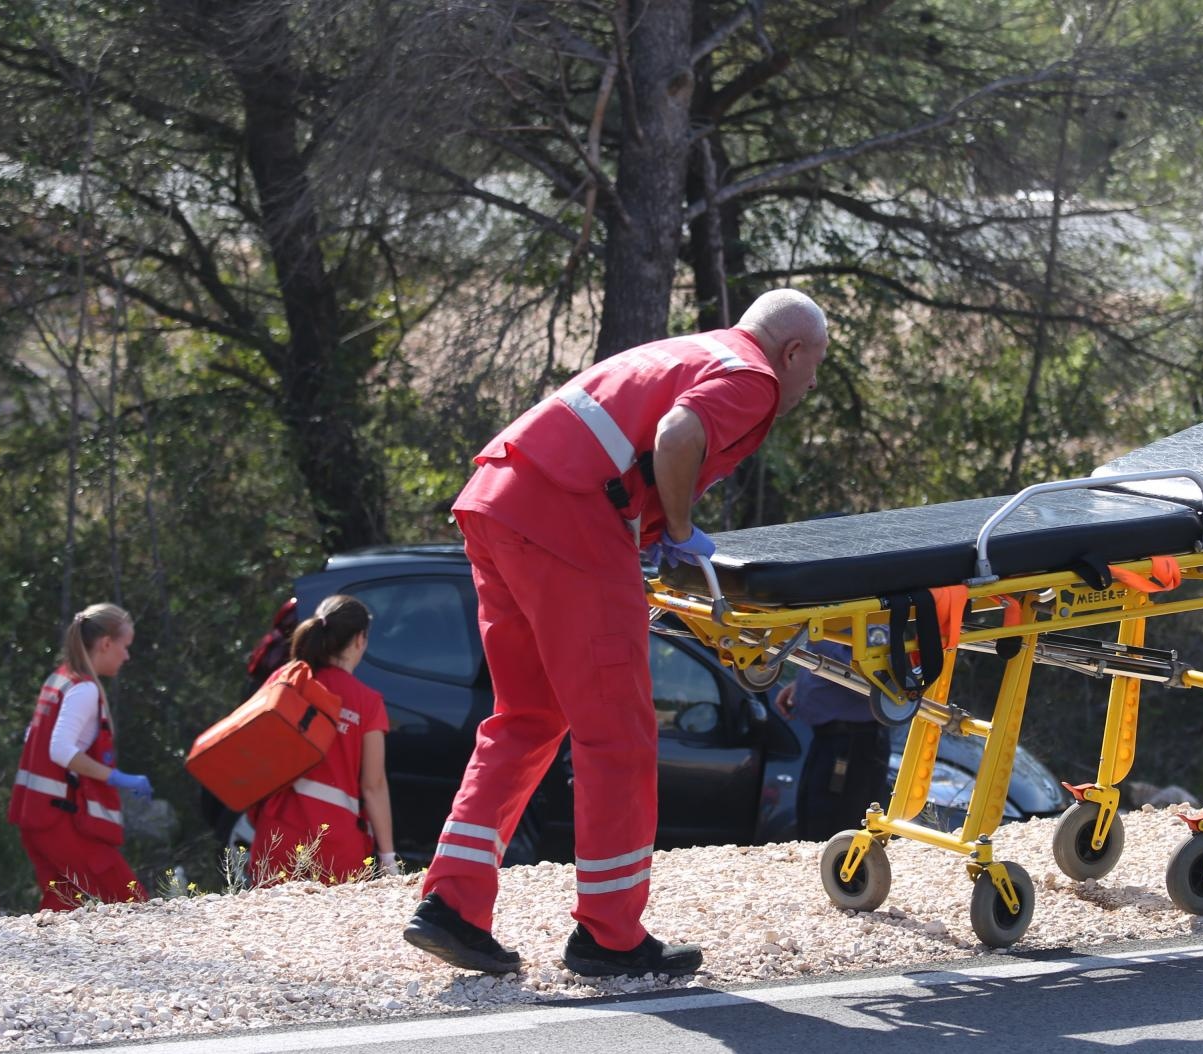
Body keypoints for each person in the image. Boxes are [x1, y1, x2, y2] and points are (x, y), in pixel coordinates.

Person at [404, 289, 829, 978]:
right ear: (792, 352)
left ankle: (451, 906)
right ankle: (610, 933)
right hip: (567, 520)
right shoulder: (753, 376)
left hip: (498, 500)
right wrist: (683, 532)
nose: (811, 383)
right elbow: (677, 436)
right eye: (816, 366)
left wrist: (654, 523)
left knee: (526, 719)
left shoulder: (699, 349)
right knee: (620, 733)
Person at [9, 603, 153, 911]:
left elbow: (31, 738)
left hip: (33, 816)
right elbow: (59, 749)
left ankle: (46, 960)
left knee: (61, 907)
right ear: (105, 644)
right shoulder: (84, 690)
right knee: (133, 904)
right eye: (125, 647)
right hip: (59, 820)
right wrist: (115, 777)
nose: (127, 656)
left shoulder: (59, 680)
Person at [249, 594, 397, 885]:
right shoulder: (367, 702)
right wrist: (388, 857)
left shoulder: (284, 680)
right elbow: (373, 785)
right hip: (337, 846)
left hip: (276, 838)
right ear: (360, 640)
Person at [775, 639, 893, 841]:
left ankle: (841, 872)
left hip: (853, 742)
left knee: (838, 827)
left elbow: (877, 681)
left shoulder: (870, 617)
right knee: (813, 821)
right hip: (830, 740)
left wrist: (823, 647)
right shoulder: (835, 620)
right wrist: (803, 685)